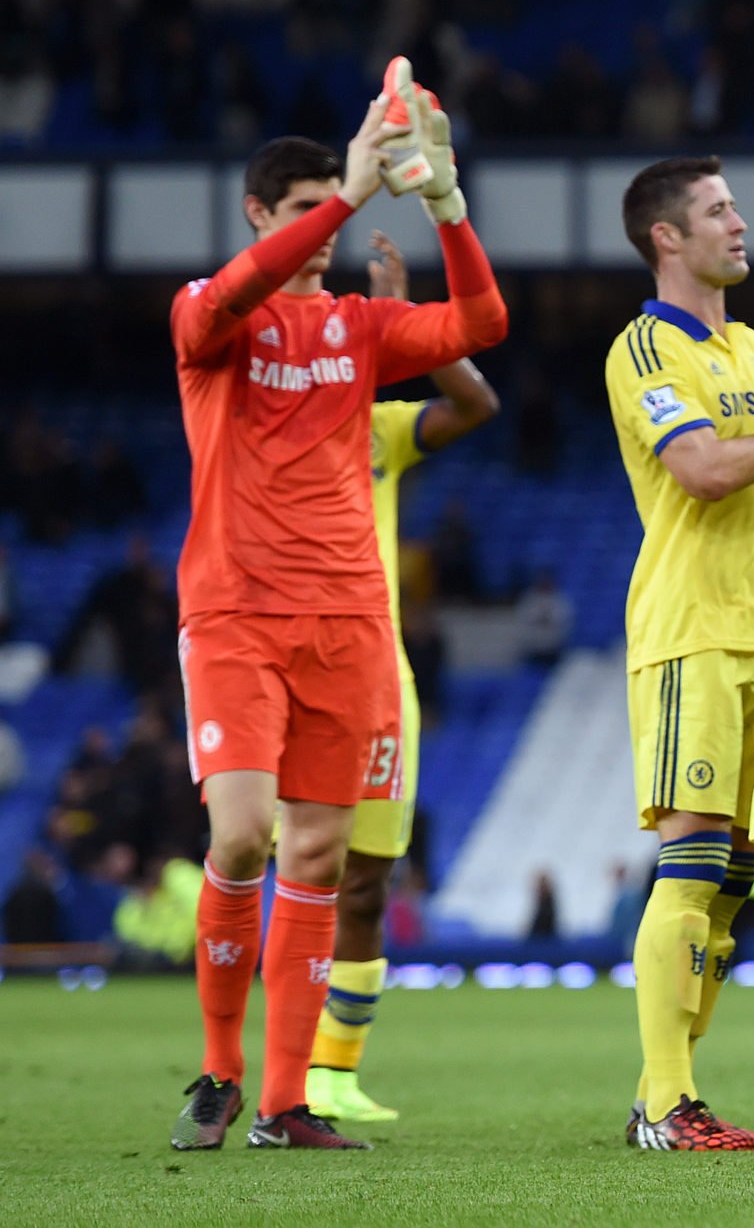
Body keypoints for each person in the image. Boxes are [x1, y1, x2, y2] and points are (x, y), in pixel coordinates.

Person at [169, 63, 507, 1153]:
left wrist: (445, 204)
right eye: (304, 212)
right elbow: (223, 303)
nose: (325, 230)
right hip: (234, 614)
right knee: (243, 833)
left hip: (352, 623)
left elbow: (482, 326)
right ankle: (218, 1067)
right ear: (259, 216)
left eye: (334, 209)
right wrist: (359, 188)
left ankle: (281, 1100)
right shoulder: (206, 316)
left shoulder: (360, 328)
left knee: (318, 856)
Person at [606, 156, 754, 1152]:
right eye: (718, 209)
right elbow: (706, 468)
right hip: (691, 629)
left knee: (735, 875)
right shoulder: (643, 350)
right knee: (689, 856)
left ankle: (659, 1090)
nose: (740, 221)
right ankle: (671, 1104)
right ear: (665, 237)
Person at [305, 230, 502, 1126]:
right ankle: (269, 1063)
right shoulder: (262, 419)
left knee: (369, 879)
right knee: (287, 867)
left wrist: (413, 323)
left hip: (380, 674)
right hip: (285, 659)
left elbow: (476, 401)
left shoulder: (379, 430)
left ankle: (335, 1072)